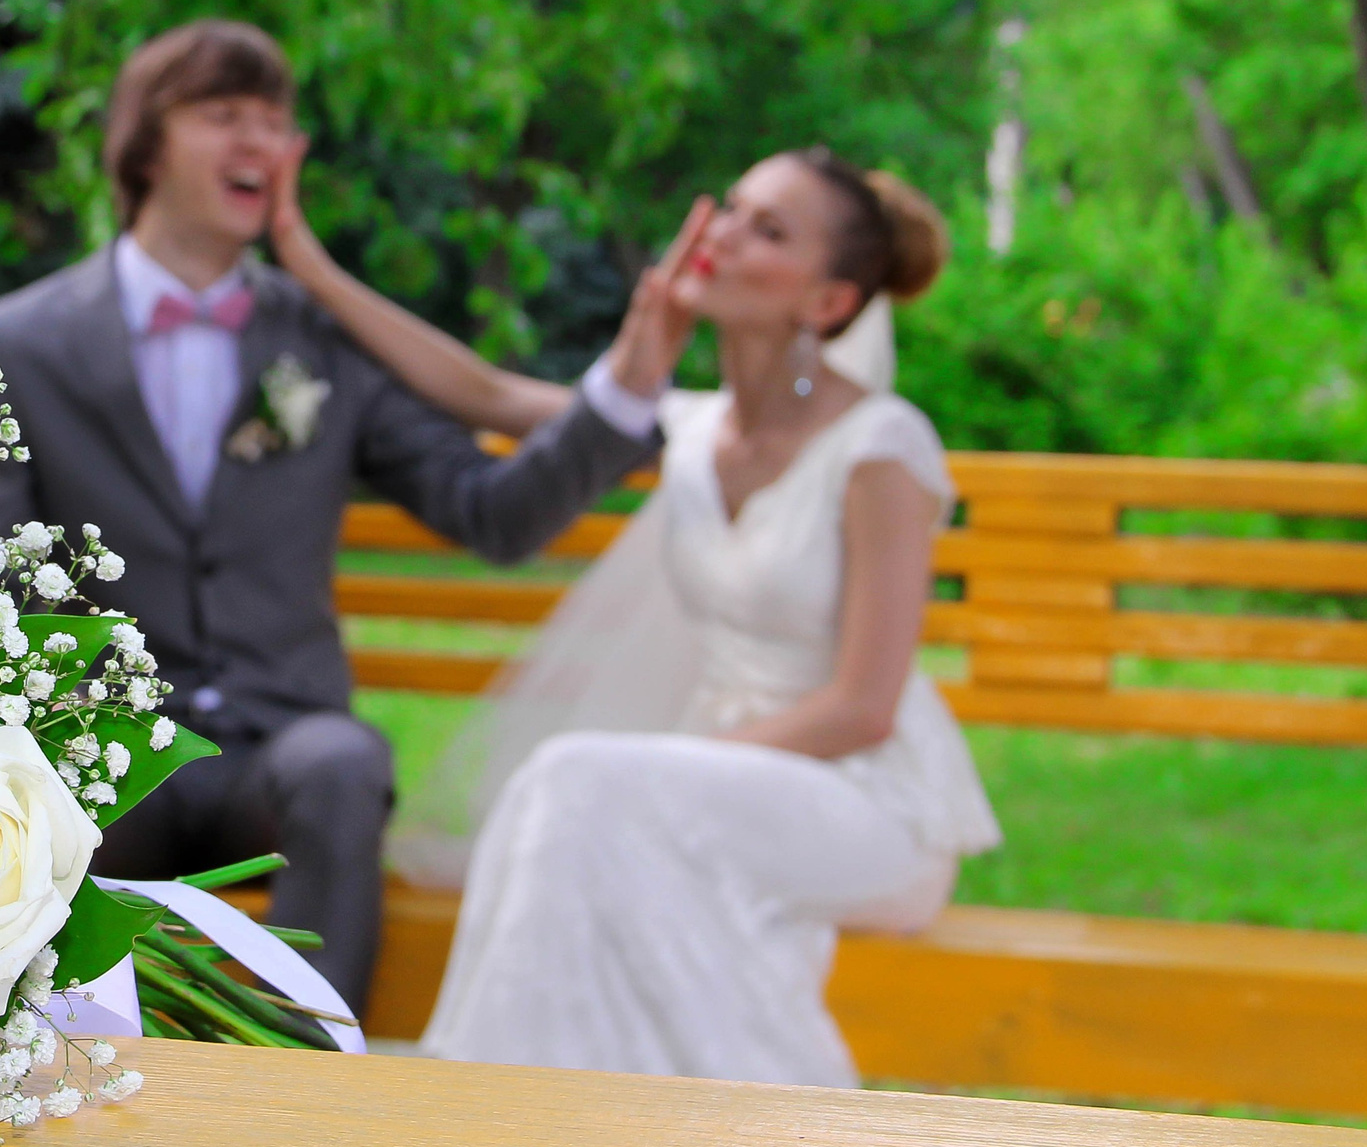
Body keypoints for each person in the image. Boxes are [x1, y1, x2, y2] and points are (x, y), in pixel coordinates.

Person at [0, 20, 694, 1014]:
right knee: (45, 797)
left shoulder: (326, 341)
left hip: (281, 750)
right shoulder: (13, 341)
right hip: (107, 753)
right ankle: (67, 1092)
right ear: (143, 143)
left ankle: (313, 1081)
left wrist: (629, 389)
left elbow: (494, 513)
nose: (259, 142)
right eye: (223, 116)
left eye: (275, 120)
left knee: (343, 762)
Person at [269, 144, 1000, 1086]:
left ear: (826, 303)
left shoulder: (881, 445)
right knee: (574, 788)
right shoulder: (693, 426)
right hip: (708, 786)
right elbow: (483, 393)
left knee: (578, 779)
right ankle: (522, 1108)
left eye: (768, 230)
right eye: (731, 206)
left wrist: (671, 769)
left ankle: (471, 1101)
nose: (723, 234)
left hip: (864, 799)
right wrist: (307, 262)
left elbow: (864, 706)